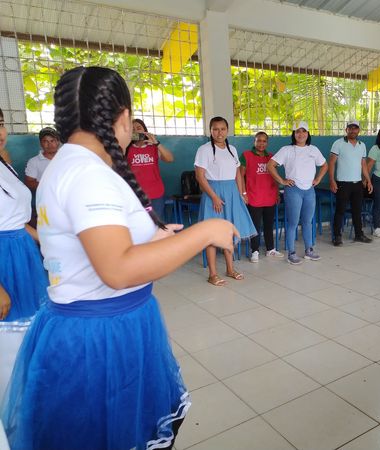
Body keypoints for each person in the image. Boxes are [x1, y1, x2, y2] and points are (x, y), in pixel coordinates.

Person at [1, 66, 238, 449]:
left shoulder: (69, 165)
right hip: (102, 336)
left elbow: (100, 246)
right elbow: (118, 268)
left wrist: (155, 238)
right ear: (124, 117)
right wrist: (204, 232)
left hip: (93, 322)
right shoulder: (88, 174)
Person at [0, 153, 48, 403]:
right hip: (4, 259)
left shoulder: (5, 165)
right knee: (8, 338)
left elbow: (16, 221)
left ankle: (24, 398)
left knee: (27, 335)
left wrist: (52, 243)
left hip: (22, 252)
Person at [195, 116, 256, 285]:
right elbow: (200, 176)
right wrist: (214, 197)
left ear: (227, 130)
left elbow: (238, 174)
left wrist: (242, 192)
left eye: (222, 129)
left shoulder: (232, 149)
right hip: (213, 193)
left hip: (231, 193)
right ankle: (212, 274)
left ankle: (230, 269)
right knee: (212, 234)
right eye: (215, 129)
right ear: (210, 131)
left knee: (230, 231)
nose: (219, 133)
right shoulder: (204, 150)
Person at [267, 121, 328, 265]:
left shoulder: (313, 150)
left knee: (307, 221)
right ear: (294, 134)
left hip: (309, 190)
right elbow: (270, 165)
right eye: (298, 131)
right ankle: (291, 253)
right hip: (293, 190)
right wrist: (282, 181)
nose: (301, 134)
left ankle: (309, 250)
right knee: (293, 222)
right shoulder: (287, 150)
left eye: (304, 131)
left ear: (308, 133)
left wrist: (318, 179)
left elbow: (325, 165)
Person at [240, 131, 284, 262]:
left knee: (269, 224)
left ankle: (270, 249)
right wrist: (243, 193)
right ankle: (255, 251)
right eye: (259, 140)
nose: (261, 143)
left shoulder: (271, 157)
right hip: (253, 197)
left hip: (269, 196)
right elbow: (240, 176)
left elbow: (275, 177)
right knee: (255, 226)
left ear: (267, 143)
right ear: (254, 141)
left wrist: (277, 193)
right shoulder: (246, 155)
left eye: (264, 141)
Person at [329, 120, 373, 246]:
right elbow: (331, 163)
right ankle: (337, 236)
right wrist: (332, 180)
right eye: (350, 128)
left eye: (355, 128)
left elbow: (363, 165)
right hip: (343, 183)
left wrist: (368, 181)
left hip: (357, 183)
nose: (353, 130)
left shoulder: (362, 145)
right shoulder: (338, 143)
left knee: (357, 210)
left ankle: (359, 234)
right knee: (340, 210)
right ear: (346, 129)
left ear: (359, 130)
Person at [127, 119, 174, 220]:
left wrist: (156, 143)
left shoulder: (153, 147)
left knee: (156, 223)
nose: (136, 131)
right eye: (133, 129)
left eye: (139, 128)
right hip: (135, 194)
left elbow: (170, 159)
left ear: (145, 130)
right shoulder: (127, 149)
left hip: (156, 193)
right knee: (139, 222)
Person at [24, 127, 61, 192]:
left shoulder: (65, 158)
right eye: (45, 141)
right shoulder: (33, 162)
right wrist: (49, 186)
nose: (49, 144)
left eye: (52, 141)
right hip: (46, 196)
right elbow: (29, 183)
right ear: (41, 143)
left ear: (58, 142)